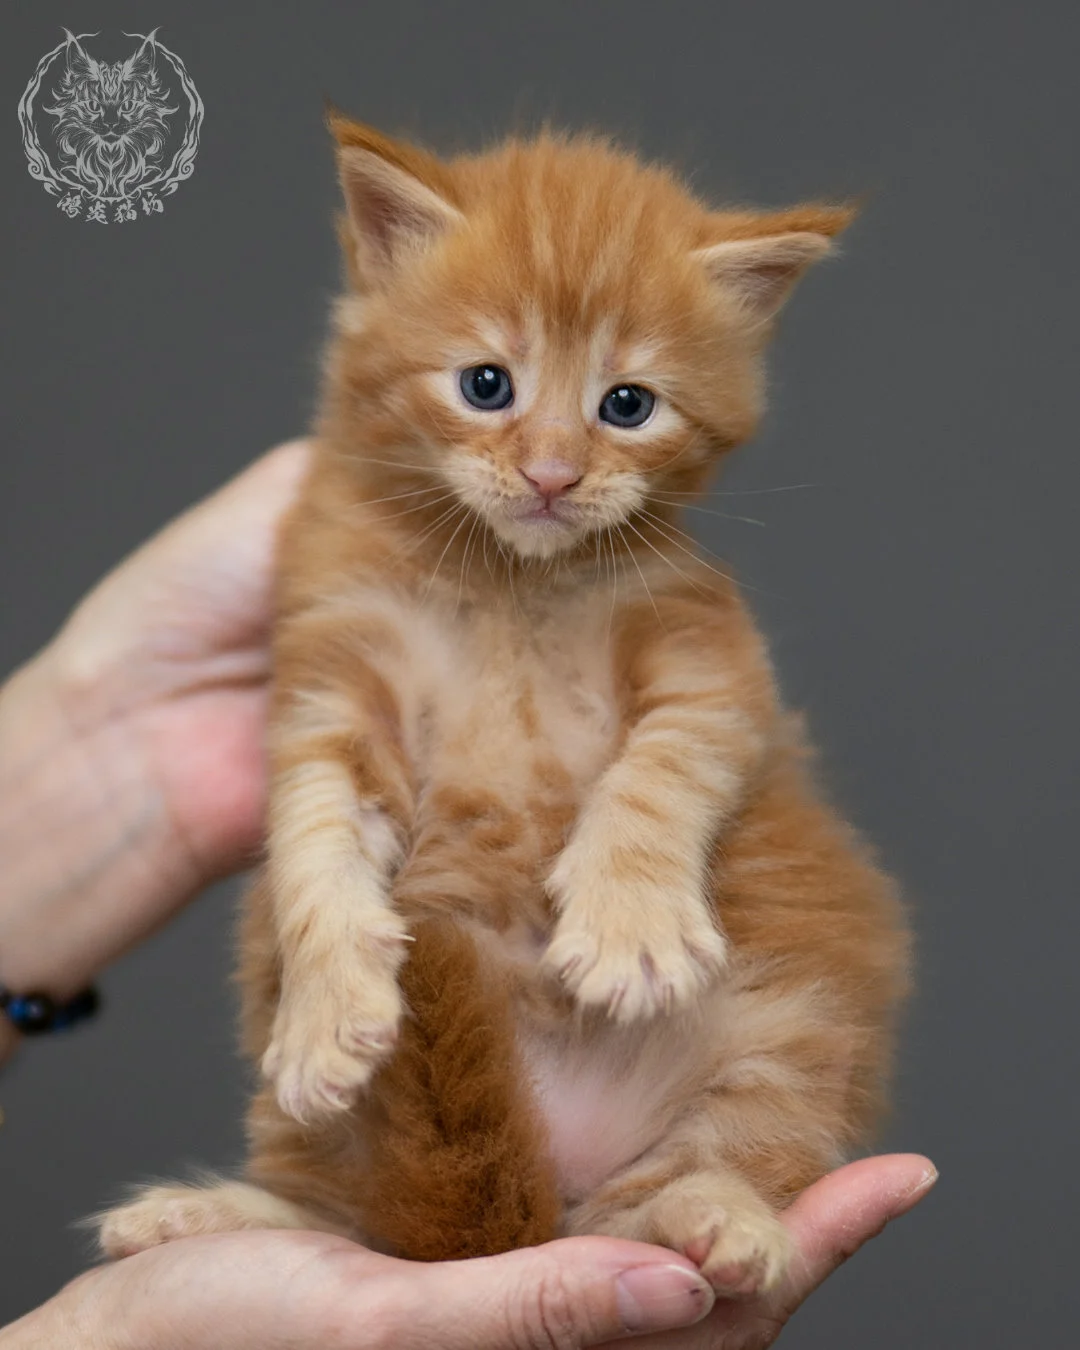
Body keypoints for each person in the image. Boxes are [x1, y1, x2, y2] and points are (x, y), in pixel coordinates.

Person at [0, 441, 936, 1349]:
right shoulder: (356, 549)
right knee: (326, 941)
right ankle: (317, 1210)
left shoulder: (664, 586)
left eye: (622, 405)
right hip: (432, 1029)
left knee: (791, 958)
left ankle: (683, 1191)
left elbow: (718, 714)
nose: (550, 466)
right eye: (487, 386)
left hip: (673, 1060)